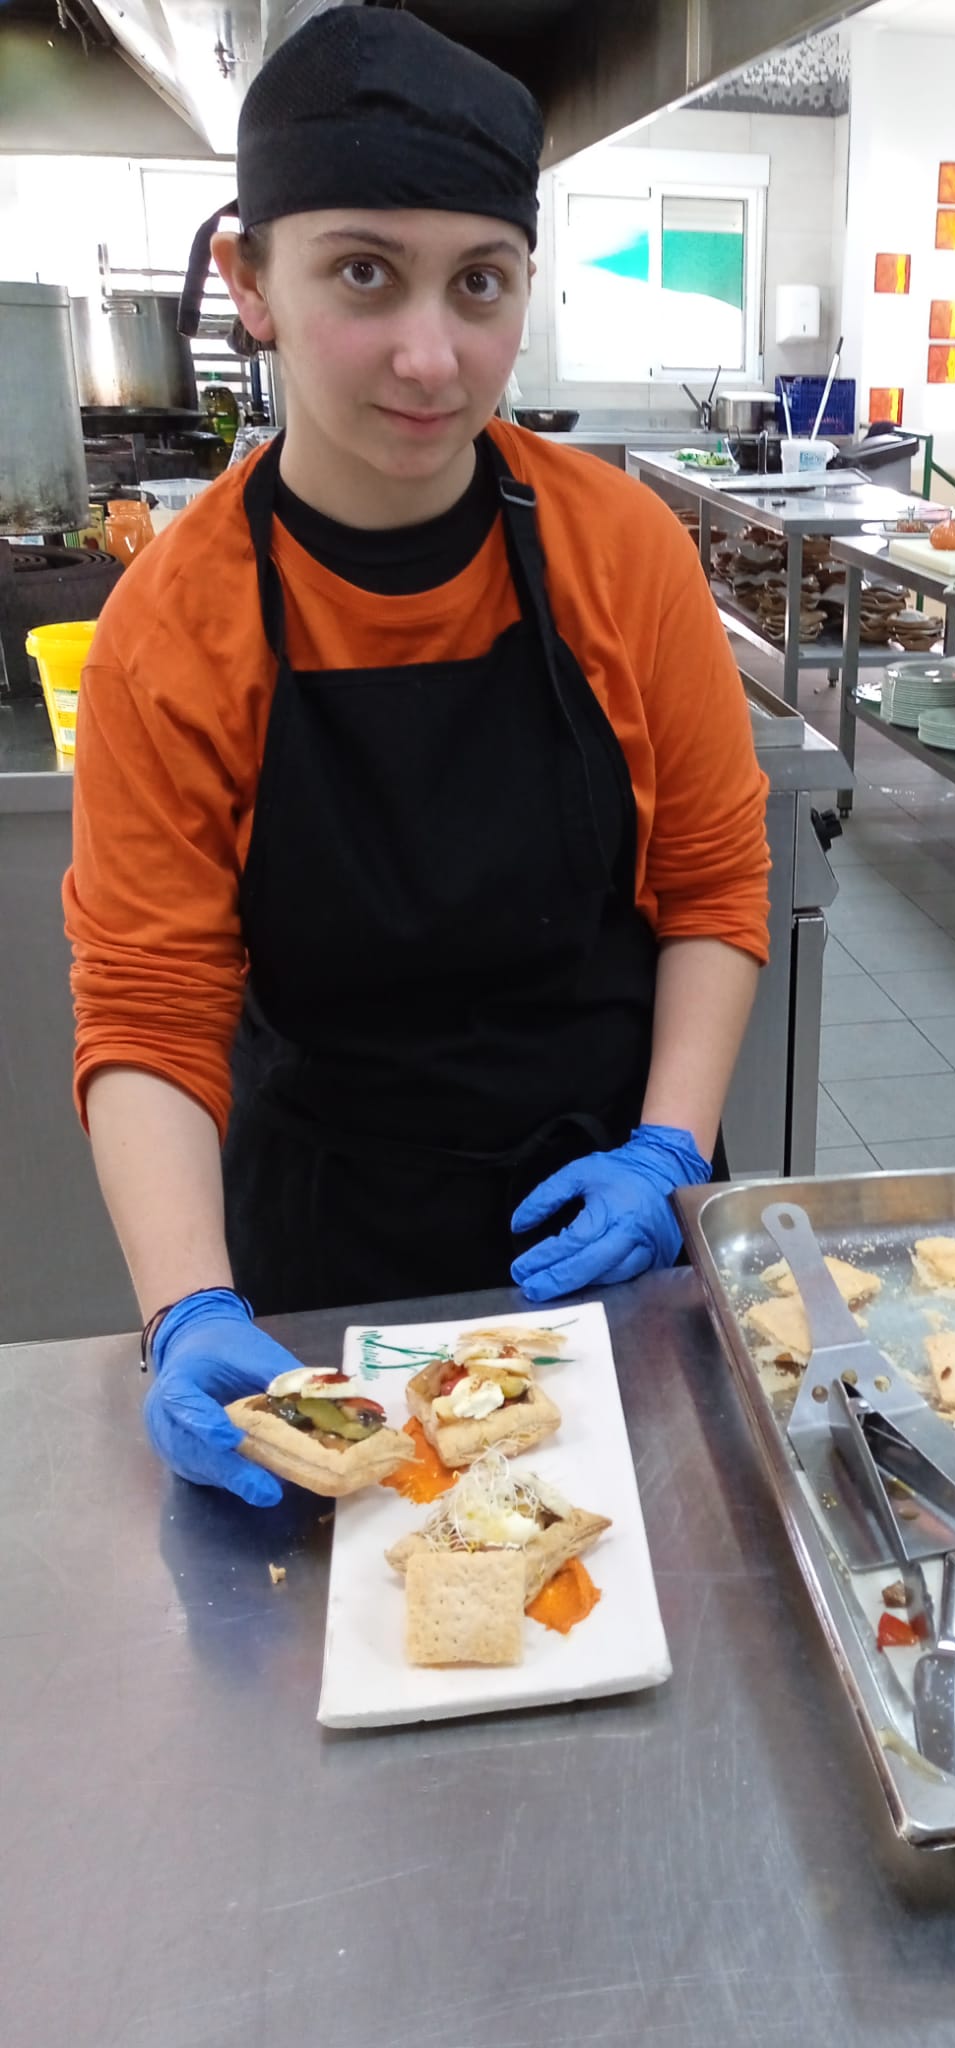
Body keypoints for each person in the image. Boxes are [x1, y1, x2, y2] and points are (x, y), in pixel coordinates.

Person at [63, 9, 770, 1507]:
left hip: (614, 1222)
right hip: (334, 1256)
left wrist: (668, 1149)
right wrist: (187, 1306)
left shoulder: (621, 549)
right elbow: (150, 1009)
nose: (432, 356)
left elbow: (714, 886)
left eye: (481, 282)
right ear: (253, 281)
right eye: (365, 273)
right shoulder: (172, 628)